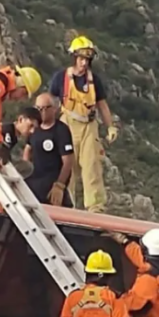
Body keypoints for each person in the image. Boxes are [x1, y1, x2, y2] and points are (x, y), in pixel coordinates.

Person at [49, 36, 121, 213]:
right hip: (67, 124)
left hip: (89, 125)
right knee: (67, 167)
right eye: (81, 59)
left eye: (87, 60)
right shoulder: (61, 78)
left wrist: (110, 126)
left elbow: (102, 104)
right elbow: (51, 102)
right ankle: (68, 205)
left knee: (92, 167)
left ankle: (95, 207)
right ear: (74, 58)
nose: (83, 63)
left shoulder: (94, 80)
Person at [23, 93, 75, 207]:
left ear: (54, 109)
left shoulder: (61, 130)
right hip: (33, 183)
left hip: (52, 186)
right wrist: (23, 170)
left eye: (45, 108)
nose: (41, 111)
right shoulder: (34, 128)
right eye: (38, 108)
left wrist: (60, 185)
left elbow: (68, 160)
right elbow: (27, 149)